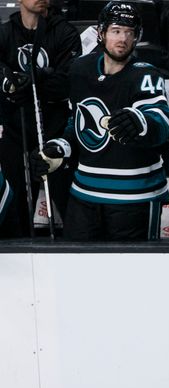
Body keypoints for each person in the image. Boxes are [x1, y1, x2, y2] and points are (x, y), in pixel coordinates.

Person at [29, 1, 169, 241]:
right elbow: (77, 123)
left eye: (130, 33)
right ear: (101, 32)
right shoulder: (80, 70)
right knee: (79, 272)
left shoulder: (146, 73)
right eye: (116, 31)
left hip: (135, 197)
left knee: (133, 274)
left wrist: (141, 122)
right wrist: (60, 148)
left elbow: (161, 121)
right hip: (84, 196)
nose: (123, 39)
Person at [0, 0, 80, 237]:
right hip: (17, 134)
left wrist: (33, 83)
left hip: (55, 135)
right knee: (16, 213)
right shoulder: (5, 32)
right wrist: (8, 83)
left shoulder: (64, 32)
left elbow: (68, 81)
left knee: (72, 211)